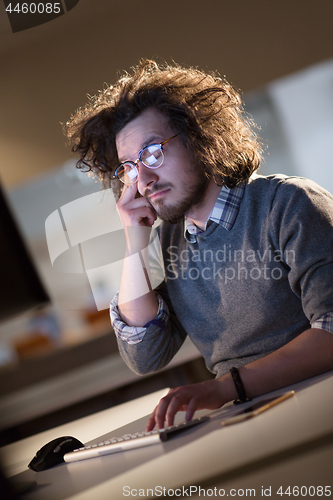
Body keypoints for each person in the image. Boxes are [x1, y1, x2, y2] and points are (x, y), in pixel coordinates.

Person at [66, 59, 333, 431]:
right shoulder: (169, 241)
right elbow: (145, 356)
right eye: (128, 166)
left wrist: (227, 387)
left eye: (152, 152)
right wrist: (135, 240)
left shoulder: (288, 203)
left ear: (199, 137)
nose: (142, 178)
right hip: (251, 417)